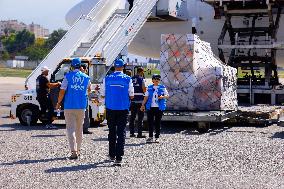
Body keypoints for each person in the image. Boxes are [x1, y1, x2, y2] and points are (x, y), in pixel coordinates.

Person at [100, 59, 134, 166]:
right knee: (121, 132)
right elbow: (132, 95)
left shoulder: (107, 79)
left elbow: (102, 94)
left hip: (110, 108)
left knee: (112, 131)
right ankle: (119, 158)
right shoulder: (128, 79)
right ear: (123, 67)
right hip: (123, 109)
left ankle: (111, 155)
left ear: (114, 67)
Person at [56, 58, 91, 160]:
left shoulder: (68, 77)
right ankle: (79, 149)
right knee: (79, 128)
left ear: (72, 66)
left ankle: (73, 151)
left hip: (69, 105)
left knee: (71, 129)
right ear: (80, 66)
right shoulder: (86, 77)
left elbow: (62, 91)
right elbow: (88, 90)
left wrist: (58, 103)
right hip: (81, 106)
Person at [140, 74, 169, 143]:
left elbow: (167, 96)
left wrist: (162, 97)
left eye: (158, 79)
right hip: (150, 108)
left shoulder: (162, 87)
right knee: (150, 122)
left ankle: (157, 137)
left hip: (159, 108)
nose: (156, 80)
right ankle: (150, 136)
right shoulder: (149, 87)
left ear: (159, 80)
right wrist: (142, 105)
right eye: (155, 78)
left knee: (158, 122)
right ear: (152, 80)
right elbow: (146, 97)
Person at [129, 67, 146, 138]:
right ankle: (139, 133)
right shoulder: (142, 79)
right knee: (140, 118)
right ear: (142, 72)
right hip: (140, 101)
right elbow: (144, 89)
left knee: (132, 117)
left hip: (132, 101)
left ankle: (132, 133)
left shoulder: (131, 79)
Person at [80, 64, 93, 135]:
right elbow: (89, 89)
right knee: (85, 113)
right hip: (83, 97)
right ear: (85, 69)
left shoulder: (72, 76)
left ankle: (77, 128)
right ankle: (85, 128)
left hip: (74, 98)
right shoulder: (86, 77)